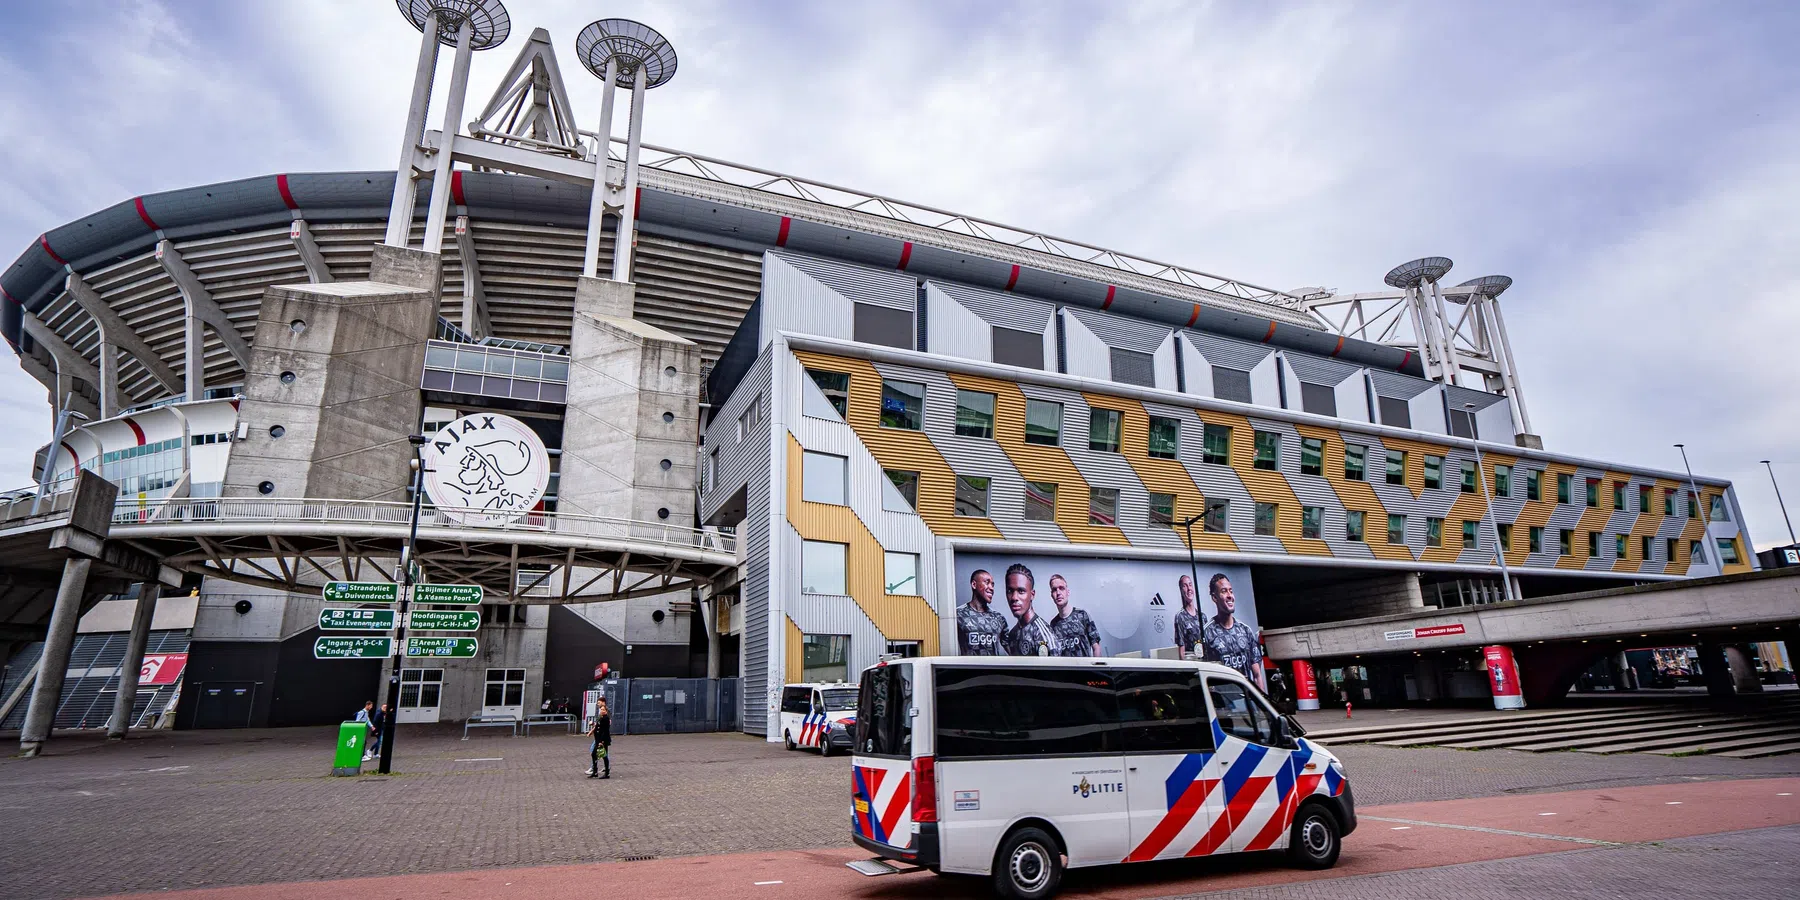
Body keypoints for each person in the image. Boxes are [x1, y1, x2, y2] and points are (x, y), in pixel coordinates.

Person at [1200, 573, 1265, 690]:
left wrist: (1262, 706)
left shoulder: (1245, 631)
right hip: (1223, 705)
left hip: (1247, 702)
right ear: (1214, 597)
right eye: (1224, 591)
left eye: (1231, 591)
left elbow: (1257, 675)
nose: (1230, 595)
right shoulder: (1206, 634)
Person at [1001, 563, 1059, 657]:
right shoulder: (1012, 635)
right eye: (1010, 591)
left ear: (1032, 595)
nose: (1014, 597)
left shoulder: (1042, 634)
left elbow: (1056, 670)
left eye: (1021, 591)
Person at [1046, 574, 1102, 657]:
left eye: (1061, 588)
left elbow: (1096, 647)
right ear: (1051, 595)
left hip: (1085, 668)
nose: (1058, 593)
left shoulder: (1082, 615)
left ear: (1067, 592)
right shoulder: (1053, 624)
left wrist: (1097, 668)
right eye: (1054, 590)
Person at [957, 569, 1008, 655]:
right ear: (974, 584)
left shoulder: (998, 618)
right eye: (987, 582)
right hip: (968, 668)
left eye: (992, 584)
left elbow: (1013, 651)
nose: (991, 588)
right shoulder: (958, 615)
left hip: (993, 668)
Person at [1173, 575, 1203, 660]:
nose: (1189, 588)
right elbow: (1181, 650)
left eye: (1190, 585)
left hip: (1204, 662)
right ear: (1181, 590)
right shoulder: (1180, 617)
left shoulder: (1202, 616)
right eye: (1185, 586)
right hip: (1191, 662)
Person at [587, 698, 612, 779]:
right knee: (594, 754)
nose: (602, 710)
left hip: (602, 740)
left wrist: (601, 741)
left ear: (606, 711)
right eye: (601, 709)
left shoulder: (605, 718)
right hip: (598, 739)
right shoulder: (600, 717)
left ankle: (607, 773)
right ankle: (595, 771)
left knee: (604, 755)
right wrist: (592, 726)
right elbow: (598, 727)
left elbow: (605, 730)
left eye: (603, 710)